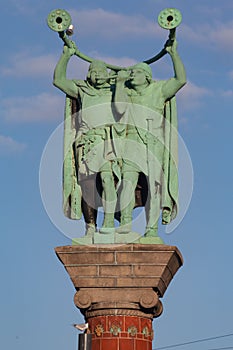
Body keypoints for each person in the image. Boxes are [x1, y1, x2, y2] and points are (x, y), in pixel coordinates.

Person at [114, 39, 186, 238]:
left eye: (135, 72)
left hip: (153, 145)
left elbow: (180, 80)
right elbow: (119, 109)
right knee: (127, 183)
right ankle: (125, 226)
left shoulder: (158, 90)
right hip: (131, 143)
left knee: (155, 187)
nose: (132, 75)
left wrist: (173, 54)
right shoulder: (126, 94)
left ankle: (151, 230)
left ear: (146, 76)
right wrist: (120, 84)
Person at [53, 42, 118, 235]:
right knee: (87, 185)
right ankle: (90, 227)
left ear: (107, 75)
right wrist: (67, 55)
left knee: (108, 180)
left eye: (101, 71)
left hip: (107, 141)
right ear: (88, 74)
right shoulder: (82, 90)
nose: (97, 74)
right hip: (86, 143)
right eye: (93, 71)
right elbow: (58, 80)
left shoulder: (114, 91)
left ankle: (109, 224)